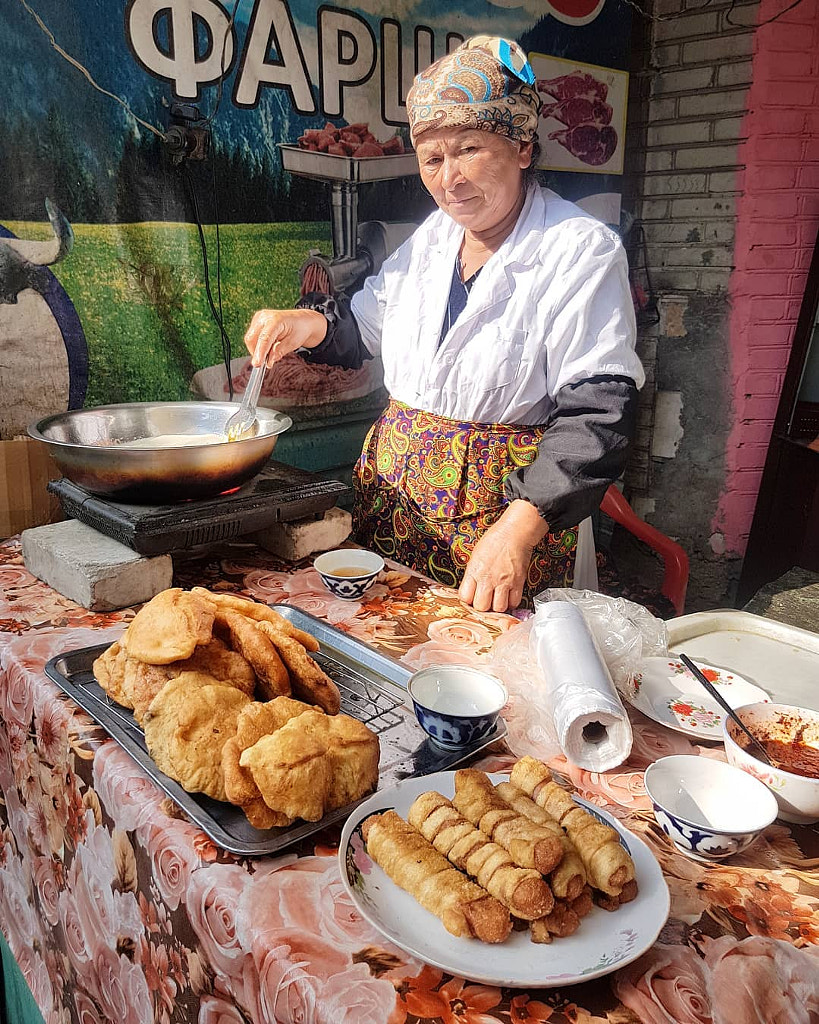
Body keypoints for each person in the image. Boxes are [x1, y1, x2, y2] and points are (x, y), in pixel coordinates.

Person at [244, 35, 644, 613]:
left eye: (470, 149)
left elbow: (598, 416)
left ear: (522, 148)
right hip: (394, 503)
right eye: (433, 158)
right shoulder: (433, 239)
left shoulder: (579, 250)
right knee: (389, 645)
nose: (449, 179)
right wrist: (304, 324)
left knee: (483, 674)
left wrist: (517, 534)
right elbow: (365, 328)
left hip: (501, 521)